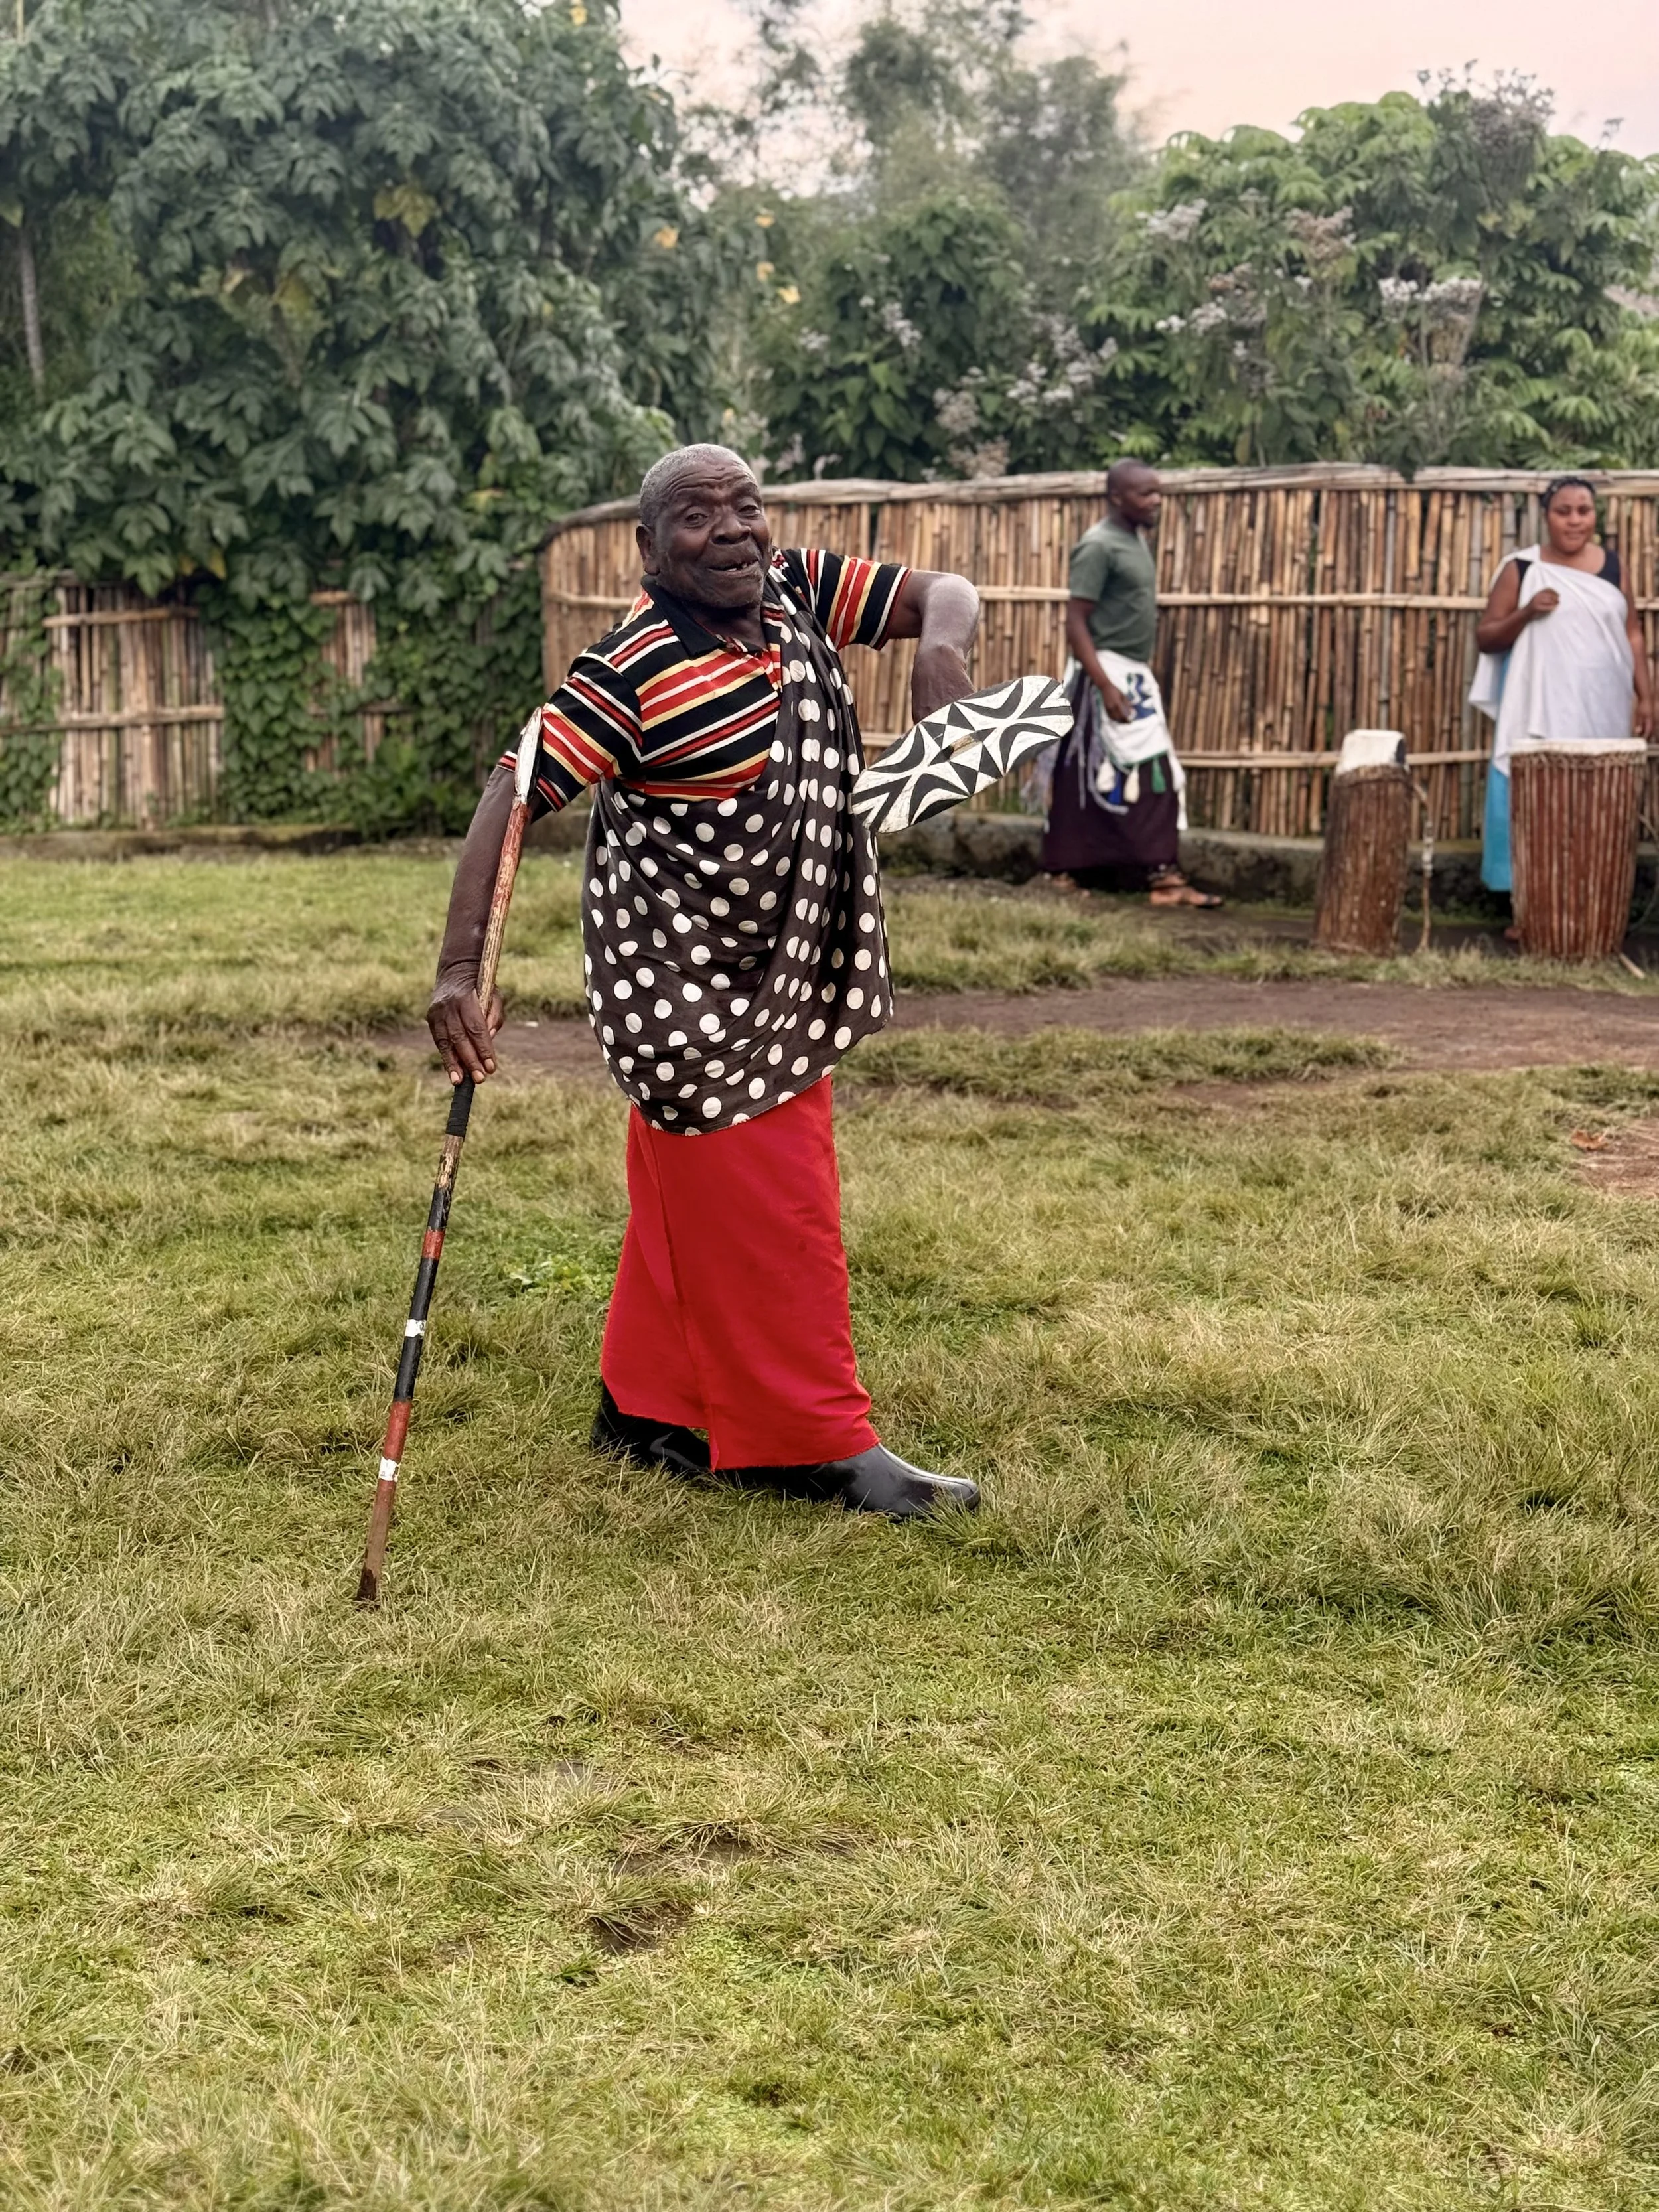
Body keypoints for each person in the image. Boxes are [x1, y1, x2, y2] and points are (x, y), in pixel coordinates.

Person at [426, 445, 983, 1519]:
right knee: (779, 1209)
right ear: (649, 547)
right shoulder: (631, 672)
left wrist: (940, 651)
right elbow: (515, 786)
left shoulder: (793, 589)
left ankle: (644, 1410)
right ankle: (812, 1443)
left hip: (781, 965)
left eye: (746, 506)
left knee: (688, 1205)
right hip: (687, 993)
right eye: (696, 515)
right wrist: (460, 969)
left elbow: (945, 592)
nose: (732, 530)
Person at [1042, 459, 1219, 905]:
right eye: (1145, 494)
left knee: (1133, 772)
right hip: (1106, 674)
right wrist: (1104, 685)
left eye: (1158, 492)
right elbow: (1076, 621)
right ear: (1116, 497)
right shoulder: (1098, 546)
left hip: (1132, 674)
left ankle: (1143, 873)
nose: (1156, 501)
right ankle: (1137, 875)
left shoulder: (1134, 539)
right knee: (1124, 771)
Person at [1473, 474, 1654, 895]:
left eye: (1584, 511)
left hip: (1603, 708)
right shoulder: (1523, 569)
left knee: (1597, 800)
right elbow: (1486, 638)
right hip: (1540, 709)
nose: (1575, 521)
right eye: (1564, 512)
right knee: (1538, 801)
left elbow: (1632, 634)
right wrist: (1526, 613)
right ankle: (1530, 904)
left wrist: (1648, 697)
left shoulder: (1614, 567)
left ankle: (1591, 902)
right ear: (1546, 517)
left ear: (1595, 516)